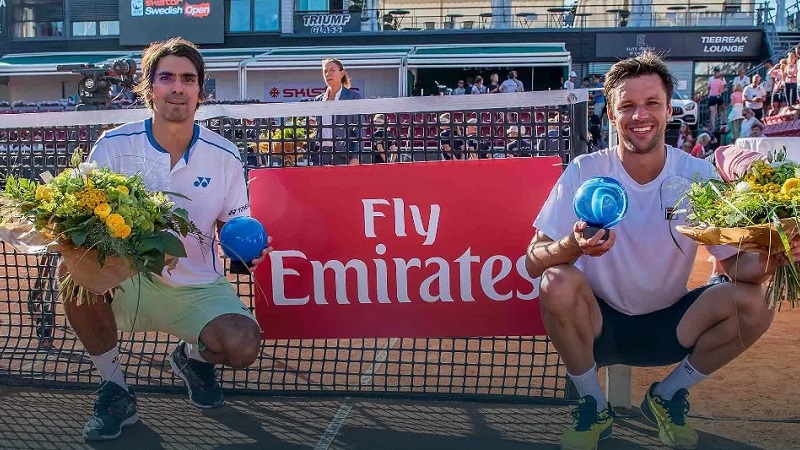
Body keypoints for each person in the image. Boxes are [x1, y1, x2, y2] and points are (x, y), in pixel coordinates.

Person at [525, 52, 788, 450]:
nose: (640, 115)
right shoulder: (584, 169)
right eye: (627, 106)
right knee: (556, 280)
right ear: (612, 116)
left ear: (669, 112)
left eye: (652, 104)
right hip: (597, 329)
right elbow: (532, 261)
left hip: (672, 326)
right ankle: (593, 404)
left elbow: (740, 268)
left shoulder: (697, 176)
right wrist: (572, 246)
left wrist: (777, 250)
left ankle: (666, 395)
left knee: (757, 300)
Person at [62, 38, 272, 441]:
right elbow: (84, 224)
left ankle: (191, 358)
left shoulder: (225, 155)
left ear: (201, 90)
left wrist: (249, 253)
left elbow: (236, 225)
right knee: (70, 272)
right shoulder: (112, 146)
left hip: (196, 286)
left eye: (188, 79)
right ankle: (114, 389)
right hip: (124, 280)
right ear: (149, 86)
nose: (178, 87)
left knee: (243, 346)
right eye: (167, 77)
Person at [312, 58, 363, 165]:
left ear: (342, 73)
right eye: (325, 71)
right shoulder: (318, 100)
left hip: (343, 154)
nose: (328, 74)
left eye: (332, 70)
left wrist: (355, 156)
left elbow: (358, 129)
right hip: (320, 155)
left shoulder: (352, 97)